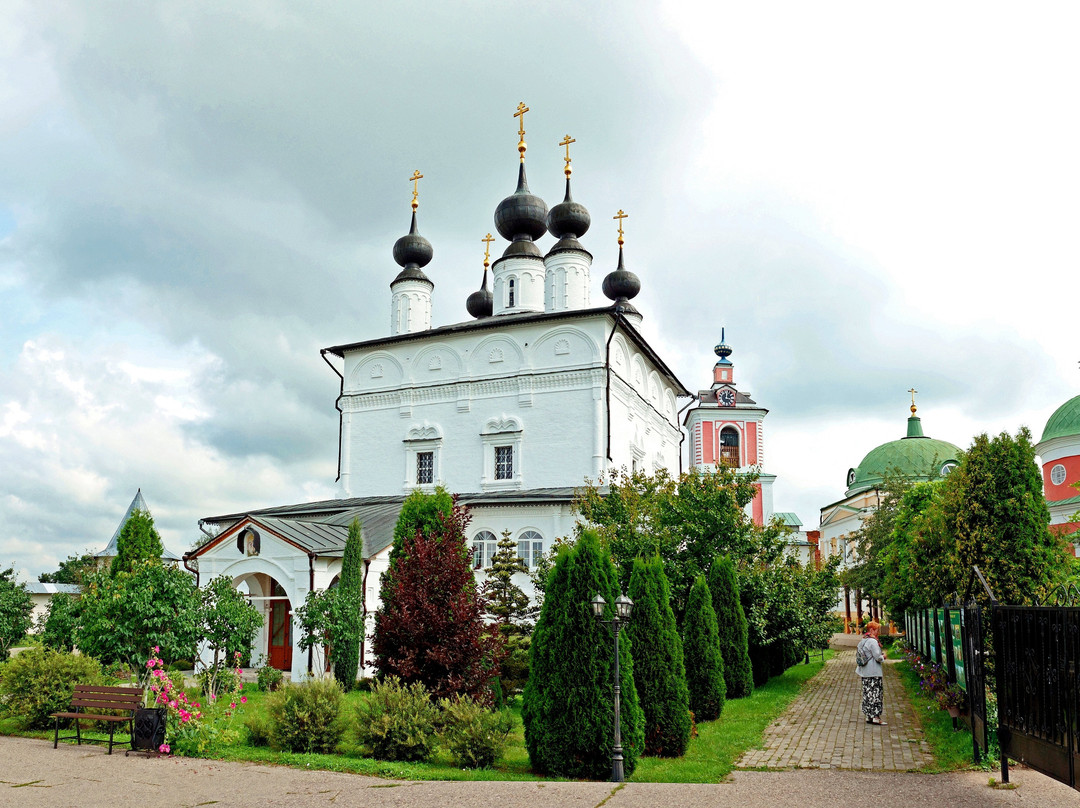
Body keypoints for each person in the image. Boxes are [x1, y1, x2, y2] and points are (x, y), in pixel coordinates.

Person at [856, 619, 887, 725]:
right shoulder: (872, 641)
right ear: (871, 630)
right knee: (876, 694)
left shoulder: (863, 640)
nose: (878, 632)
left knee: (868, 693)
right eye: (877, 630)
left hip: (865, 671)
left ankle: (869, 716)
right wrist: (883, 656)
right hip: (873, 671)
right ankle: (876, 717)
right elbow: (877, 657)